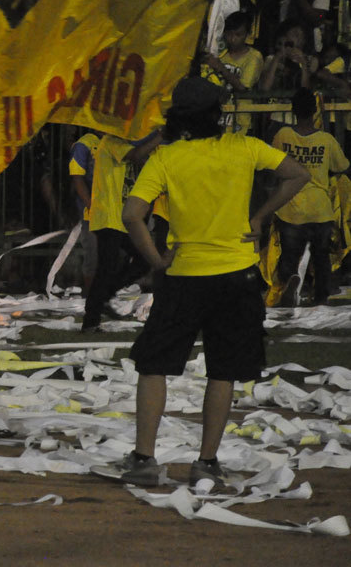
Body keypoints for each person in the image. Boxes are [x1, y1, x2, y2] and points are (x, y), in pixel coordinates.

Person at [96, 76, 308, 487]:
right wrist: (260, 217)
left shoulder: (166, 158)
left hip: (184, 274)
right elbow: (298, 175)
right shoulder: (244, 147)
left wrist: (156, 261)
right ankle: (206, 463)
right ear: (218, 114)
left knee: (153, 364)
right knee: (223, 370)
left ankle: (144, 459)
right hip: (238, 273)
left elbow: (131, 215)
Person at [271, 88, 350, 306]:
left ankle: (289, 288)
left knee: (288, 256)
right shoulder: (326, 139)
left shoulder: (283, 135)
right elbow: (342, 166)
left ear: (293, 110)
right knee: (321, 258)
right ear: (315, 110)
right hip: (320, 208)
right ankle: (320, 298)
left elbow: (275, 167)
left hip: (290, 207)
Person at [80, 130, 161, 332]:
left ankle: (104, 297)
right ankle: (91, 320)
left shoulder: (122, 144)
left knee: (142, 260)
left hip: (120, 219)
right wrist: (160, 135)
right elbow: (136, 155)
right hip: (108, 216)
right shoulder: (111, 142)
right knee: (105, 269)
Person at [201, 11, 264, 134]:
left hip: (241, 121)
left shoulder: (254, 57)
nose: (233, 39)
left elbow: (243, 87)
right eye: (229, 34)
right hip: (219, 120)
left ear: (247, 34)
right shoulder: (221, 55)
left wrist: (220, 67)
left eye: (238, 34)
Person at [69, 129, 100, 295]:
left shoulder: (118, 142)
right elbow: (77, 177)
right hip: (93, 213)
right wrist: (91, 206)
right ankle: (91, 295)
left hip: (114, 211)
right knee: (93, 256)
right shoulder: (86, 143)